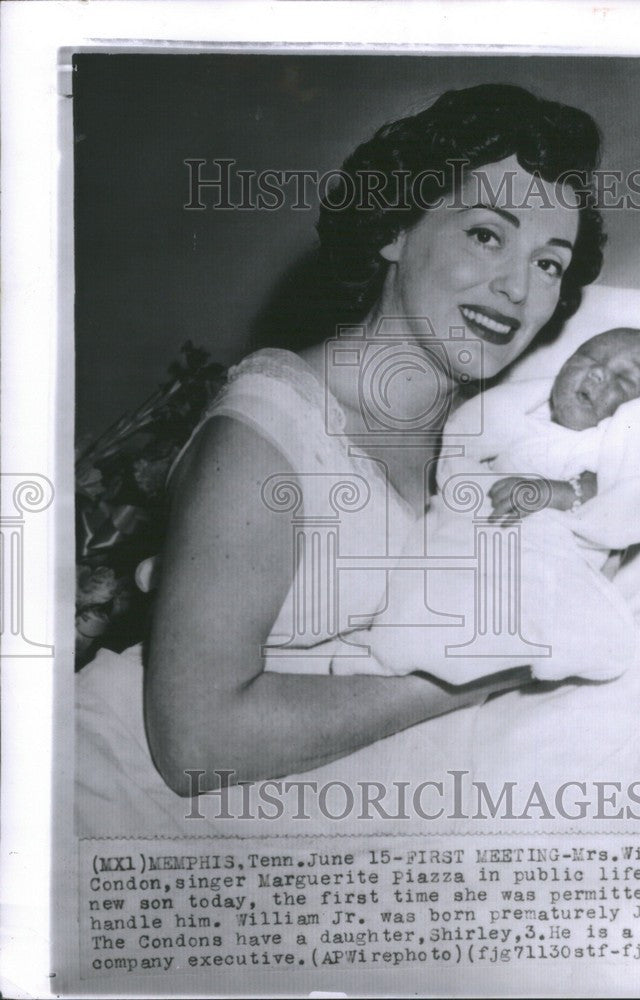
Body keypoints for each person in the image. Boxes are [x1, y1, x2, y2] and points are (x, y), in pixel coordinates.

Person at [78, 83, 610, 805]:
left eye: (549, 262)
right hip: (110, 793)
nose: (517, 287)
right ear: (396, 230)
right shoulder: (266, 433)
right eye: (487, 234)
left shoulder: (475, 434)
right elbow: (195, 745)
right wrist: (483, 671)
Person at [265, 328, 640, 685]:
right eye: (587, 358)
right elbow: (458, 463)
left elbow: (628, 492)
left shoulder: (608, 446)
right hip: (467, 530)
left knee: (507, 611)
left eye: (625, 381)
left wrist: (555, 492)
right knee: (423, 585)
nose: (597, 374)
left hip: (541, 549)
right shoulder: (516, 420)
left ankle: (414, 653)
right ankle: (390, 649)